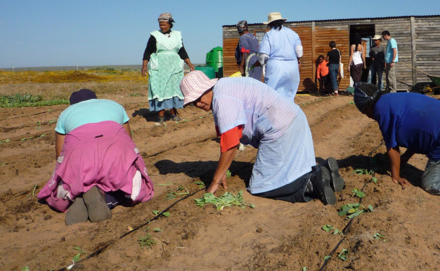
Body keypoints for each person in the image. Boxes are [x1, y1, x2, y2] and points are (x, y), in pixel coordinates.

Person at [180, 71, 344, 204]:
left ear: (207, 88)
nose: (198, 104)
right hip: (293, 116)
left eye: (198, 98)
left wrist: (214, 182)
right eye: (193, 102)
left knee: (263, 186)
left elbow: (231, 144)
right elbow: (227, 139)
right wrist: (223, 170)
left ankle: (311, 185)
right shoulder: (225, 87)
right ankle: (324, 172)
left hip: (278, 127)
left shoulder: (222, 98)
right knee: (293, 168)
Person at [37, 89, 154, 225]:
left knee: (69, 178)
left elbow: (60, 155)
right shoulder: (115, 105)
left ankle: (78, 195)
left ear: (72, 104)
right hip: (114, 147)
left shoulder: (65, 114)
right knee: (130, 180)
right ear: (96, 99)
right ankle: (106, 197)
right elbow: (128, 140)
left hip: (80, 151)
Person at [142, 12, 196, 124]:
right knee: (160, 89)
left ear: (170, 24)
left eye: (164, 24)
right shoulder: (154, 36)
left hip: (175, 66)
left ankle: (173, 114)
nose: (162, 26)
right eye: (160, 25)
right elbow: (148, 51)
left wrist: (189, 63)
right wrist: (144, 66)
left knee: (174, 89)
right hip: (160, 67)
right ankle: (161, 117)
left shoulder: (177, 35)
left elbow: (182, 51)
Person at [258, 12, 303, 100]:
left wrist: (261, 63)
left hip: (275, 68)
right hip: (292, 68)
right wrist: (298, 60)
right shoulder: (293, 33)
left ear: (270, 24)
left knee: (272, 96)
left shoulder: (269, 35)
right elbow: (299, 52)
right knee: (289, 96)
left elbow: (263, 56)